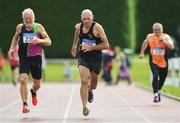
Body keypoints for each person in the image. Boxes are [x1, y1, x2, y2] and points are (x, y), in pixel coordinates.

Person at [8, 8, 51, 113]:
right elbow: (15, 38)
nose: (28, 20)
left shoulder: (38, 27)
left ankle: (33, 91)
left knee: (37, 84)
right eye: (26, 18)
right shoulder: (20, 28)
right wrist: (12, 49)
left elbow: (49, 41)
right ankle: (25, 104)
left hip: (36, 58)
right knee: (23, 79)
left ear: (34, 18)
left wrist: (39, 40)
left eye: (30, 18)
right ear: (23, 19)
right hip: (24, 58)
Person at [71, 9, 110, 116]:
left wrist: (91, 47)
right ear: (81, 18)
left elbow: (106, 45)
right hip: (83, 56)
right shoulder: (79, 27)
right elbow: (76, 34)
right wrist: (74, 46)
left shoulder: (97, 27)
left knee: (93, 85)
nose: (86, 21)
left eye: (88, 19)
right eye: (84, 19)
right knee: (84, 80)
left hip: (96, 58)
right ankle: (84, 107)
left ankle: (90, 91)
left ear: (92, 18)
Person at [139, 23, 174, 103]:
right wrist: (142, 53)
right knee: (155, 75)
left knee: (163, 77)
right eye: (155, 30)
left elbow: (172, 47)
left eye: (159, 30)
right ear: (153, 30)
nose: (157, 32)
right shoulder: (150, 36)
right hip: (153, 60)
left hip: (163, 61)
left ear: (162, 30)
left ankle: (157, 91)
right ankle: (155, 94)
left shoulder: (166, 36)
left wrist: (164, 41)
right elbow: (145, 43)